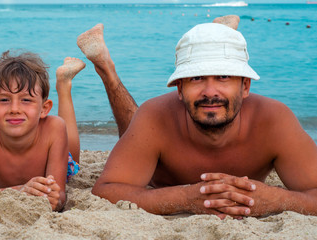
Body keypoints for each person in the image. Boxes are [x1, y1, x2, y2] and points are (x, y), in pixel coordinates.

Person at [76, 16, 317, 219]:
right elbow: (106, 191)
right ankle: (107, 70)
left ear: (245, 86)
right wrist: (186, 198)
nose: (210, 92)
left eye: (223, 76)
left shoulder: (273, 120)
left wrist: (276, 199)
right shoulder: (156, 116)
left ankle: (217, 38)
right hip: (159, 140)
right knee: (133, 125)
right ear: (179, 89)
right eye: (196, 78)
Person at [0, 51, 86, 211]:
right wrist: (21, 190)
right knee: (11, 86)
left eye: (26, 100)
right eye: (4, 100)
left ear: (44, 108)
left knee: (73, 162)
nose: (15, 109)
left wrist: (55, 198)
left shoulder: (53, 128)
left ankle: (63, 84)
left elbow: (60, 194)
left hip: (60, 151)